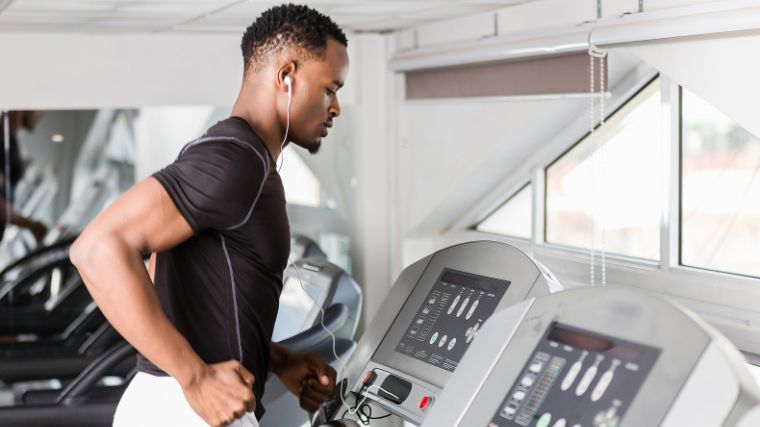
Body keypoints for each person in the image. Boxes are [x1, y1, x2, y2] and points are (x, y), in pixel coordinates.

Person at [70, 4, 349, 427]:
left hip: (179, 403)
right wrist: (196, 377)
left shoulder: (230, 153)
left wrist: (280, 360)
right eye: (330, 88)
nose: (336, 107)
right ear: (286, 76)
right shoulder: (237, 160)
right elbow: (96, 249)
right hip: (189, 408)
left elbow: (188, 292)